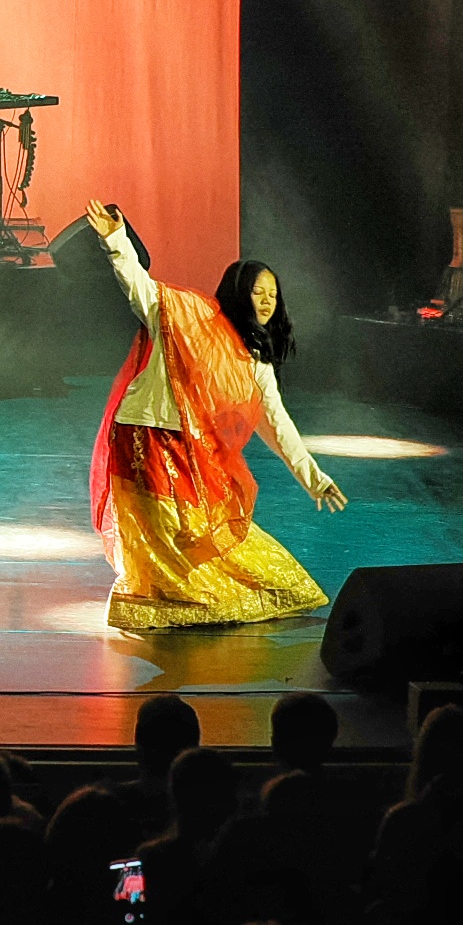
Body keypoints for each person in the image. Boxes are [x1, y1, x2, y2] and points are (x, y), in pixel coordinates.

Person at [86, 199, 347, 628]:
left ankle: (183, 600)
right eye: (258, 292)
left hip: (194, 449)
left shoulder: (255, 358)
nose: (266, 301)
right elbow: (139, 287)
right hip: (144, 432)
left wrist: (313, 478)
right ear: (238, 291)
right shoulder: (187, 314)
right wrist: (116, 241)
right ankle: (157, 600)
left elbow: (276, 422)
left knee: (197, 535)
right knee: (158, 531)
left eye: (273, 294)